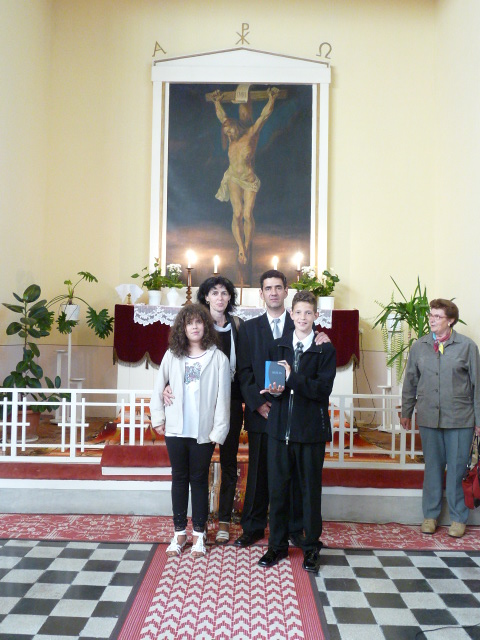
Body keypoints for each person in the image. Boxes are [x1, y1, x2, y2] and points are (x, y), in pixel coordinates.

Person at [235, 269, 331, 549]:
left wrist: (323, 337)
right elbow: (244, 371)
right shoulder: (249, 328)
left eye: (278, 287)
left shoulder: (300, 324)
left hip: (292, 414)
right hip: (261, 411)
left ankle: (293, 528)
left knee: (292, 477)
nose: (273, 292)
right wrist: (258, 404)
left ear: (286, 292)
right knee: (259, 473)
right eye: (268, 288)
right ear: (261, 293)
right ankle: (253, 526)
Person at [257, 290, 336, 573]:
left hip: (310, 432)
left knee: (309, 492)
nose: (303, 317)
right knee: (277, 491)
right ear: (291, 314)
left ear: (316, 316)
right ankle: (276, 546)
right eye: (298, 312)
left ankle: (311, 547)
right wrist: (274, 390)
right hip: (280, 431)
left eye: (308, 313)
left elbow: (321, 390)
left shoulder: (325, 349)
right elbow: (273, 390)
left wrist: (292, 377)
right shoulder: (277, 346)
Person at [150, 304, 231, 558]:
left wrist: (218, 432)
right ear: (182, 328)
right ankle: (178, 533)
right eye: (189, 323)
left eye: (199, 322)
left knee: (198, 480)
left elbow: (223, 400)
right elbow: (158, 388)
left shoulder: (218, 358)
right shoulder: (172, 355)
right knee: (179, 478)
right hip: (176, 430)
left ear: (206, 326)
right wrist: (158, 418)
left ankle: (198, 534)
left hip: (202, 432)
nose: (194, 327)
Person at [401, 299, 480, 539]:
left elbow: (477, 386)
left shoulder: (467, 347)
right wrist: (406, 411)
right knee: (432, 468)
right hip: (428, 417)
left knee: (457, 469)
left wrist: (479, 421)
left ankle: (458, 519)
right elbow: (410, 380)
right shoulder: (420, 346)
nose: (432, 320)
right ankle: (430, 516)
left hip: (460, 419)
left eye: (438, 316)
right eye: (431, 315)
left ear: (451, 320)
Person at [211, 87, 280, 265]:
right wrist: (217, 102)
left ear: (235, 126)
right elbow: (221, 116)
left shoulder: (251, 134)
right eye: (226, 133)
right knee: (237, 213)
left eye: (230, 131)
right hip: (233, 177)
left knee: (248, 214)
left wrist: (271, 99)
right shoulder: (231, 138)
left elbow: (264, 116)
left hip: (248, 179)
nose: (229, 134)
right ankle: (240, 248)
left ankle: (247, 245)